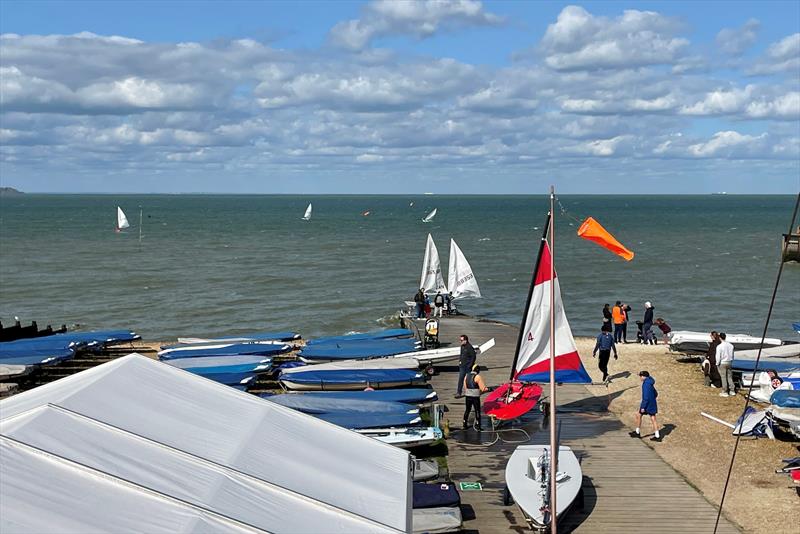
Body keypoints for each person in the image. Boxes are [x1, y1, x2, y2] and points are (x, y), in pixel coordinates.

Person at [629, 371, 661, 442]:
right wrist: (652, 398)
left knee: (639, 415)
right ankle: (657, 436)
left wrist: (643, 407)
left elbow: (645, 397)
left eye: (641, 376)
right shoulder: (650, 382)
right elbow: (656, 393)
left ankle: (637, 432)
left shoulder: (645, 385)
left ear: (644, 377)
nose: (640, 378)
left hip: (647, 404)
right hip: (653, 403)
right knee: (653, 419)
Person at [463, 364, 490, 430]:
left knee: (467, 410)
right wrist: (489, 389)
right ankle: (478, 426)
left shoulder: (467, 375)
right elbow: (483, 388)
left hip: (468, 396)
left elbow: (465, 386)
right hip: (475, 396)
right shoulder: (478, 377)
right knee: (477, 411)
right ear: (477, 370)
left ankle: (464, 424)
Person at [716, 332, 735, 397]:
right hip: (729, 362)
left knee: (723, 377)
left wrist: (717, 363)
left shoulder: (719, 346)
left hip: (723, 362)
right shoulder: (731, 345)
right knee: (729, 376)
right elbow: (732, 355)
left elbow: (718, 356)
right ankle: (732, 390)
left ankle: (725, 391)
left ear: (720, 338)